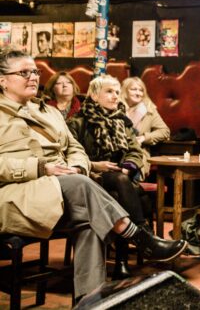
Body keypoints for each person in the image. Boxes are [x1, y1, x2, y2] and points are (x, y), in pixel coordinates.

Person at [0, 49, 186, 300]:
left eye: (35, 71)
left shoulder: (49, 112)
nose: (33, 76)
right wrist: (41, 168)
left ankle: (89, 302)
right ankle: (140, 238)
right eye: (24, 72)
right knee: (82, 184)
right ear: (2, 80)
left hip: (60, 194)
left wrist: (78, 165)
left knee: (90, 222)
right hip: (15, 195)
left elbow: (75, 148)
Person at [68, 75, 153, 280]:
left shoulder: (122, 121)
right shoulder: (78, 122)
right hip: (91, 177)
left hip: (120, 178)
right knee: (124, 187)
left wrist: (127, 168)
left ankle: (123, 260)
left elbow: (135, 151)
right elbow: (70, 154)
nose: (115, 96)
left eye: (117, 92)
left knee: (120, 191)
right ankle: (142, 238)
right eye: (109, 91)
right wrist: (96, 165)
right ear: (94, 96)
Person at [121, 76, 171, 156]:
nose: (138, 93)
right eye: (134, 89)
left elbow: (164, 131)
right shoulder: (115, 108)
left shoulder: (149, 109)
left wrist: (145, 138)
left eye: (141, 90)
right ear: (125, 91)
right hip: (117, 152)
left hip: (138, 153)